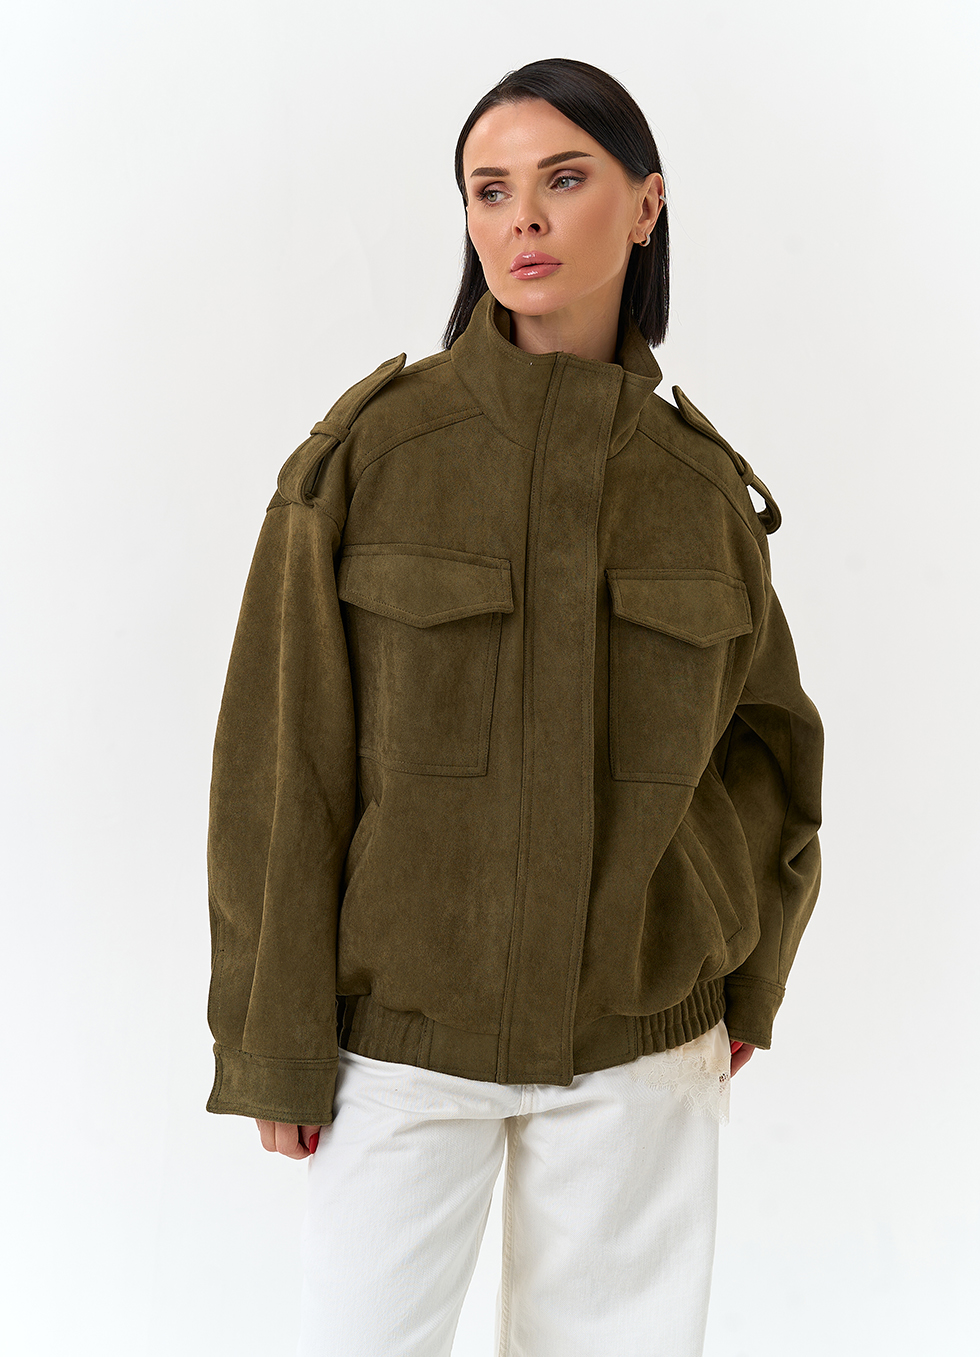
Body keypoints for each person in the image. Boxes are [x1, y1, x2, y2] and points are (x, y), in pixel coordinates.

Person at [205, 56, 824, 1357]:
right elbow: (283, 757)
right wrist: (273, 1040)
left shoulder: (700, 490)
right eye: (489, 190)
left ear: (645, 205)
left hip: (641, 1045)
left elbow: (769, 751)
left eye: (563, 179)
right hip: (400, 1042)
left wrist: (745, 976)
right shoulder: (372, 455)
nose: (522, 219)